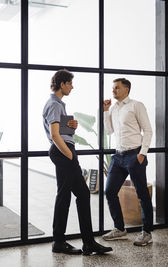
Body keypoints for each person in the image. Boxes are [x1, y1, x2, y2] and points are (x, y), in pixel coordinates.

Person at [42, 69, 112, 255]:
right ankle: (84, 242)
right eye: (70, 83)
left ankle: (63, 241)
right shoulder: (55, 104)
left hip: (62, 151)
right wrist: (70, 155)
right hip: (64, 151)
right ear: (62, 84)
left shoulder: (57, 104)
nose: (72, 87)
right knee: (80, 194)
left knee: (67, 195)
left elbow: (59, 130)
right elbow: (55, 135)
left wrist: (70, 126)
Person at [102, 78, 153, 246]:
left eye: (117, 88)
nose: (113, 90)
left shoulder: (136, 105)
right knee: (109, 191)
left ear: (127, 89)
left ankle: (146, 232)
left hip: (134, 155)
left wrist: (142, 154)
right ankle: (120, 229)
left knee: (142, 194)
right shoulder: (114, 109)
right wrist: (105, 111)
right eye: (113, 88)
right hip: (118, 156)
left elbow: (148, 130)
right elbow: (109, 131)